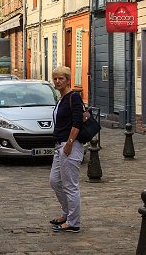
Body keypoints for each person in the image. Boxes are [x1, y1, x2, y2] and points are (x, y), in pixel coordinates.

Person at [49, 65, 85, 233]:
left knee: (70, 186)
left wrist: (69, 144)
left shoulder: (74, 97)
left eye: (61, 78)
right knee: (55, 181)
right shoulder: (62, 98)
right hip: (60, 146)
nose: (57, 81)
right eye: (55, 78)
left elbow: (77, 122)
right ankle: (66, 213)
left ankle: (73, 222)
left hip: (69, 146)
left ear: (68, 80)